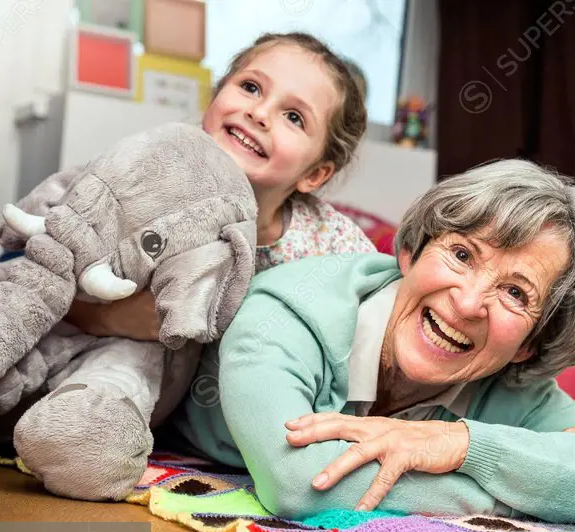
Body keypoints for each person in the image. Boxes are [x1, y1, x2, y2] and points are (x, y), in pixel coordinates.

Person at [171, 160, 575, 527]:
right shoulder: (291, 309)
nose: (466, 303)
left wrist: (461, 445)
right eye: (462, 254)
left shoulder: (512, 380)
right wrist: (525, 493)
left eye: (514, 292)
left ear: (532, 344)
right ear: (412, 252)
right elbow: (298, 483)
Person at [65, 32, 377, 338]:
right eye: (251, 87)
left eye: (294, 117)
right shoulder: (139, 176)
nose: (259, 113)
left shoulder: (334, 251)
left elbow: (378, 330)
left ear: (315, 175)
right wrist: (107, 319)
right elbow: (39, 272)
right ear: (214, 99)